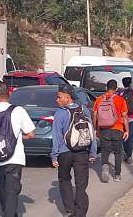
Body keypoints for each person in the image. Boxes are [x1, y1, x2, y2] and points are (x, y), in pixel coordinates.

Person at [0, 82, 35, 217]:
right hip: (15, 158)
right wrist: (17, 138)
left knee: (3, 190)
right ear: (8, 94)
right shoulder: (18, 110)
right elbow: (32, 133)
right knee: (11, 191)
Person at [51, 84, 97, 217]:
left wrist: (54, 156)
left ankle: (70, 210)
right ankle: (81, 212)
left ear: (68, 97)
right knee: (81, 184)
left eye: (59, 97)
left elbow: (57, 137)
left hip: (64, 153)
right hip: (82, 152)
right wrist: (92, 153)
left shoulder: (60, 113)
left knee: (64, 179)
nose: (57, 100)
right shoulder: (84, 110)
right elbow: (91, 132)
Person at [93, 79, 129, 182]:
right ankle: (117, 175)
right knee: (118, 152)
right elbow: (125, 116)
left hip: (104, 129)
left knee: (105, 151)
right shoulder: (120, 100)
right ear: (116, 88)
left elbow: (95, 115)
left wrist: (96, 128)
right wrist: (127, 130)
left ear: (106, 87)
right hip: (118, 129)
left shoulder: (99, 99)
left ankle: (105, 165)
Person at [117, 77, 133, 164]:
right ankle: (129, 155)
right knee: (130, 137)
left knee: (122, 136)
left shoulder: (119, 93)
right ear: (130, 83)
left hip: (122, 118)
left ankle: (123, 153)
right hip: (131, 117)